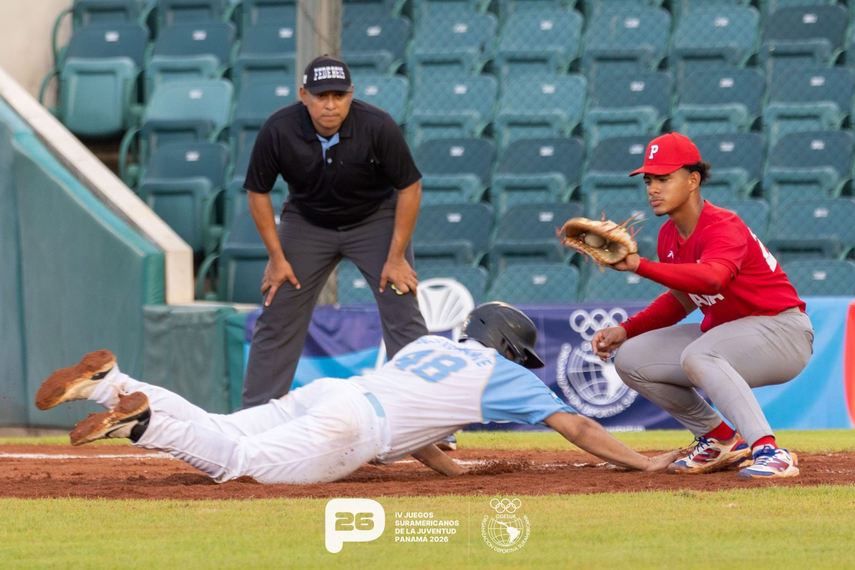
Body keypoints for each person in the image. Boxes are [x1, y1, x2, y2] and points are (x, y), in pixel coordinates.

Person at [35, 303, 683, 485]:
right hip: (351, 429)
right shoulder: (503, 373)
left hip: (328, 396)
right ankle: (143, 425)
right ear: (504, 341)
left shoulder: (430, 345)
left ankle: (114, 385)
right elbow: (578, 428)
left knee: (224, 426)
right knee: (234, 464)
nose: (520, 361)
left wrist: (452, 469)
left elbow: (426, 435)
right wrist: (644, 460)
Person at [588, 132, 813, 479]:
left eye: (664, 178)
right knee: (632, 358)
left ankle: (770, 450)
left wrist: (639, 265)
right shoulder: (668, 236)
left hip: (782, 332)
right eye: (649, 179)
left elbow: (712, 280)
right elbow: (681, 299)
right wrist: (626, 329)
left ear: (693, 180)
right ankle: (719, 438)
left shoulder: (724, 225)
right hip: (730, 333)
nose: (653, 188)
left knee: (700, 354)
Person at [240, 54, 428, 408]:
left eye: (338, 96)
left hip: (374, 220)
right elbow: (257, 192)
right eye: (321, 96)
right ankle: (255, 418)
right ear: (303, 95)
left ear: (351, 95)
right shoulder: (278, 129)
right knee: (277, 312)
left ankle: (426, 421)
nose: (330, 105)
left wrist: (397, 257)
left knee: (403, 310)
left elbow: (410, 187)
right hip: (307, 222)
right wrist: (276, 258)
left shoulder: (378, 125)